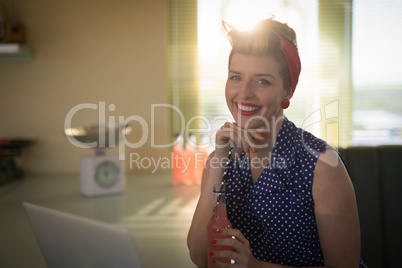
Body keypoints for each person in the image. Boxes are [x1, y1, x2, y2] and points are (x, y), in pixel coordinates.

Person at [187, 17, 367, 268]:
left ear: (288, 91)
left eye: (262, 81)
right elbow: (200, 256)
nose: (244, 93)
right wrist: (218, 160)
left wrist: (255, 265)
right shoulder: (220, 159)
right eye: (236, 77)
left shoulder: (323, 166)